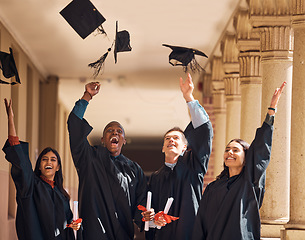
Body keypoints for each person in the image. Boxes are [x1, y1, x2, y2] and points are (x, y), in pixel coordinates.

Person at [192, 82, 286, 240]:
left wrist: (271, 111)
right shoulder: (213, 188)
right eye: (227, 149)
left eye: (235, 150)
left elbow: (261, 150)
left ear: (246, 157)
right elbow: (201, 222)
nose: (229, 152)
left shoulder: (249, 182)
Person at [67, 82, 148, 240]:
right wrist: (87, 97)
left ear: (124, 140)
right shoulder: (90, 158)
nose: (114, 133)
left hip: (122, 233)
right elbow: (74, 127)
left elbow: (142, 200)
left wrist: (144, 216)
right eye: (110, 130)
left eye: (119, 131)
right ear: (103, 139)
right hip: (94, 232)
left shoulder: (134, 169)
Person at [143, 73, 213, 240]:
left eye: (176, 138)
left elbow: (204, 131)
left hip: (191, 234)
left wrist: (188, 97)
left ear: (184, 148)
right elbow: (150, 219)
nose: (171, 140)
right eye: (167, 139)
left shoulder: (194, 166)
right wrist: (152, 219)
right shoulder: (156, 177)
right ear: (162, 148)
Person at [2, 98, 80, 240]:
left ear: (58, 168)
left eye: (53, 159)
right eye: (44, 159)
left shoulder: (62, 194)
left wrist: (73, 225)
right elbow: (21, 161)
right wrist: (11, 120)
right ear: (39, 165)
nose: (48, 162)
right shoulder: (31, 186)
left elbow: (67, 220)